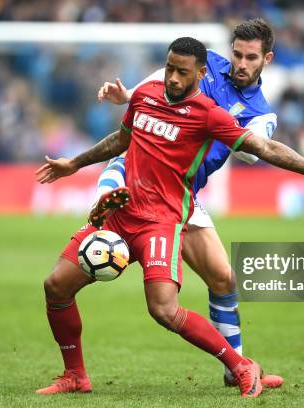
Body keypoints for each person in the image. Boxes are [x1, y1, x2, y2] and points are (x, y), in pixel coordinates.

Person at [34, 37, 304, 399]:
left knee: (164, 308)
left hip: (163, 219)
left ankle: (239, 366)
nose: (172, 78)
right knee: (55, 286)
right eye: (169, 68)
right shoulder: (147, 96)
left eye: (181, 72)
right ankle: (75, 375)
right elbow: (120, 141)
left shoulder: (209, 114)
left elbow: (264, 148)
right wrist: (73, 163)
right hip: (122, 213)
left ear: (199, 74)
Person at [93, 18, 284, 387]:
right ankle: (105, 201)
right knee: (125, 160)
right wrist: (130, 93)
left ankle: (235, 369)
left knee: (223, 278)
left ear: (267, 59)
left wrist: (220, 121)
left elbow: (252, 154)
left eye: (251, 58)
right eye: (237, 54)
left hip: (182, 193)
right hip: (149, 170)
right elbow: (163, 76)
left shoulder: (261, 112)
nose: (241, 64)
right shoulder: (206, 61)